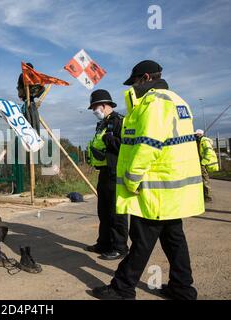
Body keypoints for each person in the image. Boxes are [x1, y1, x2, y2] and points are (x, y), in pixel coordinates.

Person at [92, 60, 204, 300]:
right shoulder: (177, 101)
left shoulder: (153, 104)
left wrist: (132, 180)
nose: (133, 87)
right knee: (174, 239)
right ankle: (182, 288)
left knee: (142, 240)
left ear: (145, 78)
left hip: (155, 188)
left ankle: (122, 288)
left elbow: (147, 146)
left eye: (134, 82)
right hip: (172, 188)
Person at [85, 89, 129, 260]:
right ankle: (103, 243)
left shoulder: (119, 121)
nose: (94, 111)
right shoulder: (102, 124)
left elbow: (126, 145)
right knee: (103, 211)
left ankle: (120, 247)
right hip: (104, 172)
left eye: (95, 107)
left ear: (103, 105)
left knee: (116, 212)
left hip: (116, 171)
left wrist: (112, 140)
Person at [17, 62, 45, 134]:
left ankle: (33, 96)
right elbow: (22, 84)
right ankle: (31, 97)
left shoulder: (31, 75)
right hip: (24, 93)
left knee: (43, 88)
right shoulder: (22, 75)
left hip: (30, 94)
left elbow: (36, 82)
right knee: (29, 113)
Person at [195, 129, 219, 202]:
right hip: (200, 163)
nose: (195, 136)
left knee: (205, 180)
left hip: (202, 163)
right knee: (201, 180)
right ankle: (203, 196)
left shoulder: (204, 141)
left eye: (196, 135)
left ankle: (207, 197)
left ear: (199, 134)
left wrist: (203, 163)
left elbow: (209, 153)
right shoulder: (200, 141)